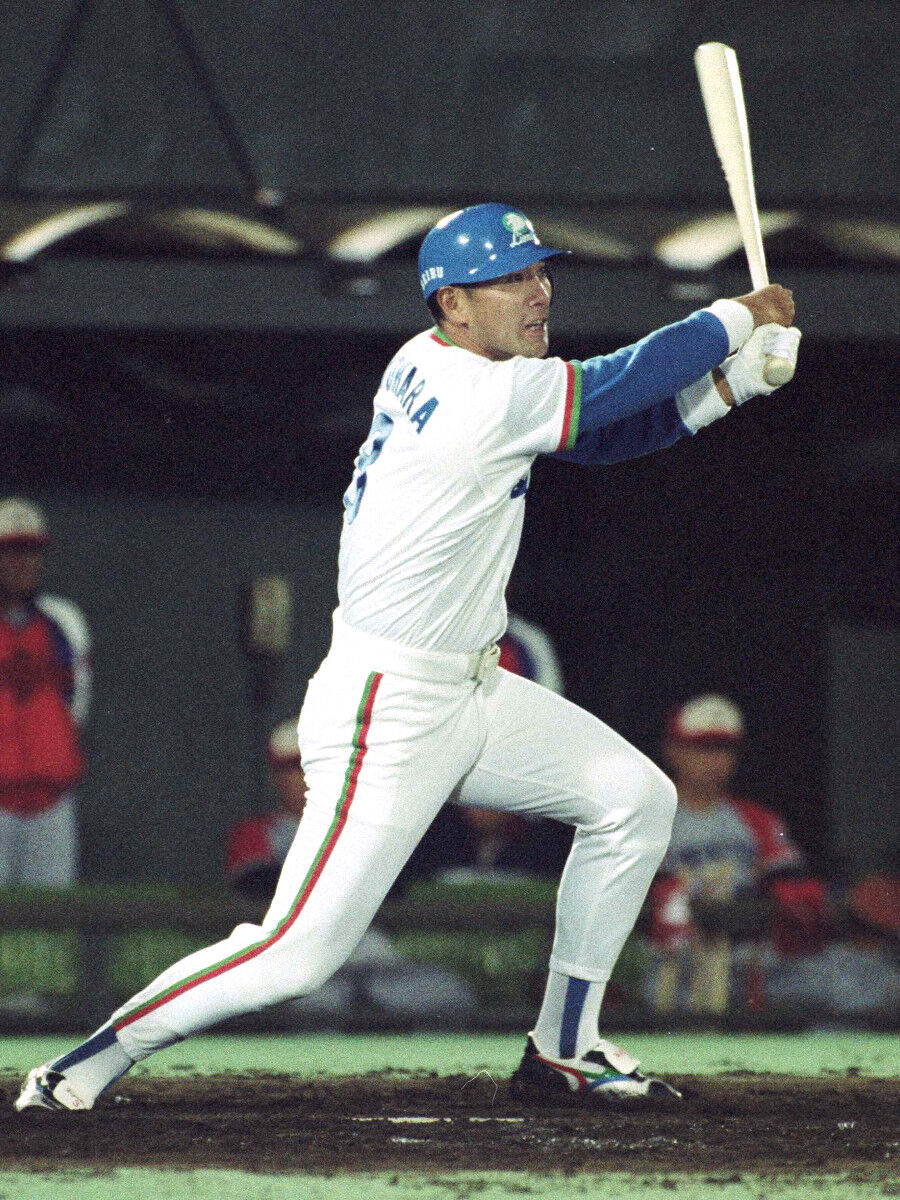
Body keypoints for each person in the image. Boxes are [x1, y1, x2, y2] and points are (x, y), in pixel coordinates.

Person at [16, 201, 800, 1113]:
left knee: (634, 800)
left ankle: (565, 1048)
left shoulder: (444, 362)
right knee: (295, 954)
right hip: (389, 704)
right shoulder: (478, 392)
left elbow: (603, 435)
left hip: (473, 688)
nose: (538, 292)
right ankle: (81, 1065)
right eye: (509, 280)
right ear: (452, 305)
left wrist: (732, 387)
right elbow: (615, 388)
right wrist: (738, 318)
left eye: (538, 273)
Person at [225, 718, 475, 1022]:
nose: (310, 777)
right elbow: (260, 887)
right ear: (277, 777)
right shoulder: (257, 832)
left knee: (447, 995)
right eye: (296, 768)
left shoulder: (368, 825)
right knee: (317, 1008)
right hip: (298, 958)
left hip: (371, 953)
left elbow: (395, 889)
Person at [642, 694, 831, 1016]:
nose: (716, 760)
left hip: (747, 957)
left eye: (725, 748)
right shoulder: (649, 818)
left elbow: (794, 889)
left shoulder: (759, 820)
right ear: (673, 750)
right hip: (675, 957)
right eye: (703, 748)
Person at [0, 498, 91, 888]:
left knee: (52, 914)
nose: (22, 562)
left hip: (51, 799)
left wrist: (48, 748)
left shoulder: (62, 619)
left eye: (31, 551)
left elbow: (77, 703)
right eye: (12, 551)